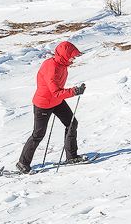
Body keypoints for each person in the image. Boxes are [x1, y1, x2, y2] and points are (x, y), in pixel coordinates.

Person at [17, 41, 88, 173]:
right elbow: (55, 91)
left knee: (72, 123)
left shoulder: (62, 64)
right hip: (43, 103)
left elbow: (57, 92)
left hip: (56, 101)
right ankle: (23, 163)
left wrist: (75, 90)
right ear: (65, 55)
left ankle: (71, 156)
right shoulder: (52, 67)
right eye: (72, 56)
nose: (74, 58)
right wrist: (74, 91)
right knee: (38, 134)